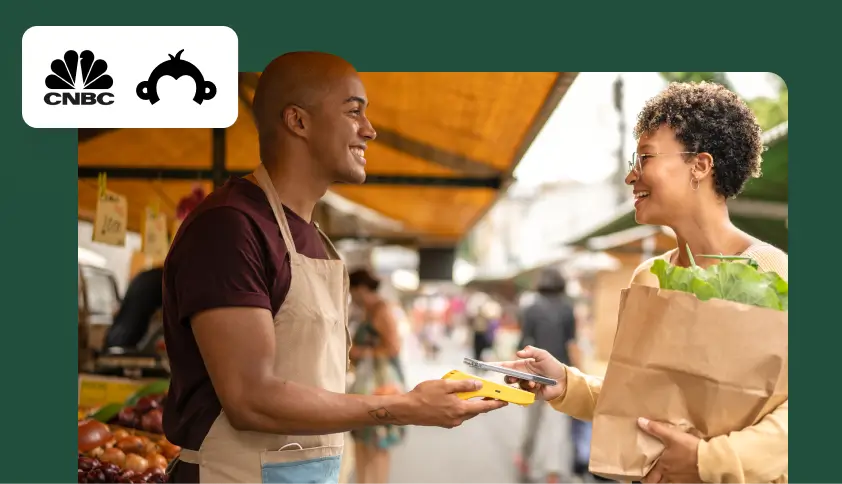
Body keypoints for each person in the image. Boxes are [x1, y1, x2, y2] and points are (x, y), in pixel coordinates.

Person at [160, 51, 507, 484]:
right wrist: (406, 407)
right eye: (353, 111)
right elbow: (250, 398)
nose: (370, 130)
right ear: (298, 121)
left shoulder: (316, 240)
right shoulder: (229, 227)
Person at [498, 81, 788, 484]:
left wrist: (709, 459)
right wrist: (566, 383)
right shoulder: (648, 278)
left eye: (645, 157)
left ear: (700, 166)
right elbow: (637, 398)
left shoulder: (774, 270)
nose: (631, 175)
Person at [514, 268, 577, 484]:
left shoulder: (531, 308)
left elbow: (523, 341)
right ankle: (552, 472)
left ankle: (524, 457)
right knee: (557, 425)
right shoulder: (568, 309)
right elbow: (571, 343)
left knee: (532, 421)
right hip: (560, 373)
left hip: (534, 372)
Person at [347, 269, 406, 484]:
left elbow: (393, 348)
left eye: (352, 291)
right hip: (367, 381)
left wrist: (361, 352)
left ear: (361, 289)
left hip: (381, 381)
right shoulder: (366, 311)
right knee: (362, 441)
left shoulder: (381, 310)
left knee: (378, 442)